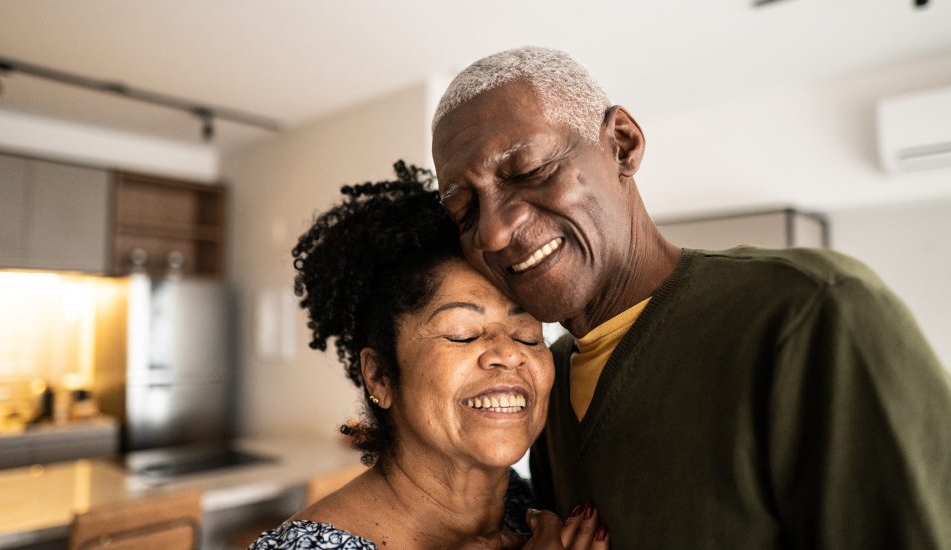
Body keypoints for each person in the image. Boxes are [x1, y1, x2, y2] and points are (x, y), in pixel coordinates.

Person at [431, 47, 951, 549]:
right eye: (466, 210)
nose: (495, 232)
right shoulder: (547, 378)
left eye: (529, 171)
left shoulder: (811, 313)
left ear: (622, 144)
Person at [249, 162, 608, 550]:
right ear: (380, 377)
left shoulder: (539, 512)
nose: (508, 354)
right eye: (462, 334)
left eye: (528, 335)